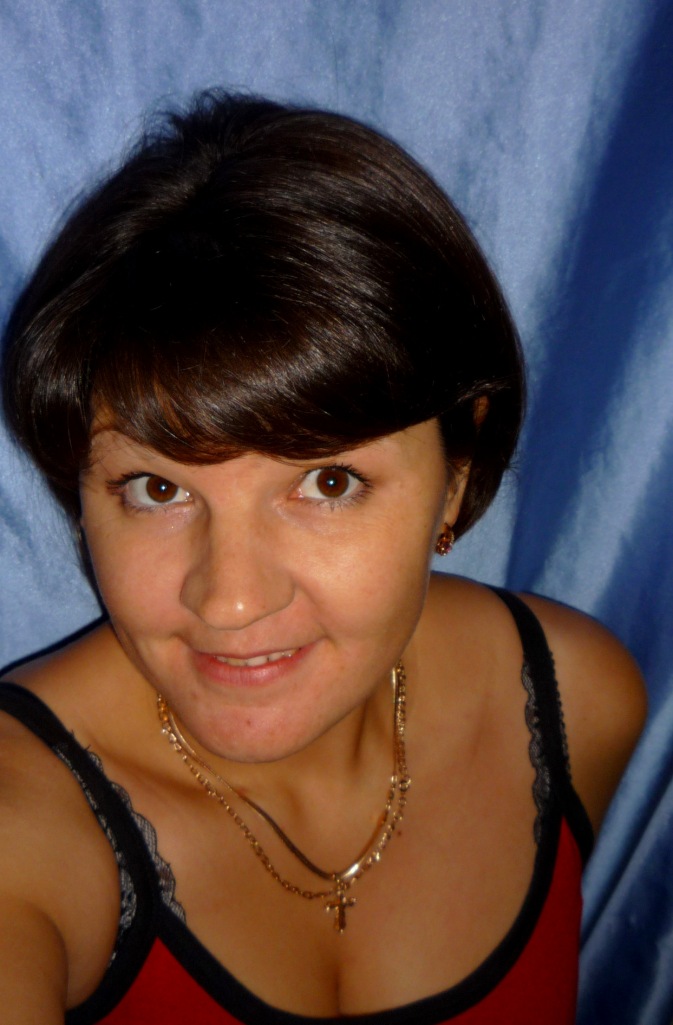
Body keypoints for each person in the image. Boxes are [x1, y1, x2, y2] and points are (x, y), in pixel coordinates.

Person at [0, 90, 645, 1024]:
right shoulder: (22, 824)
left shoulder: (578, 702)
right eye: (157, 489)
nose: (230, 600)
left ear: (457, 472)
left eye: (327, 482)